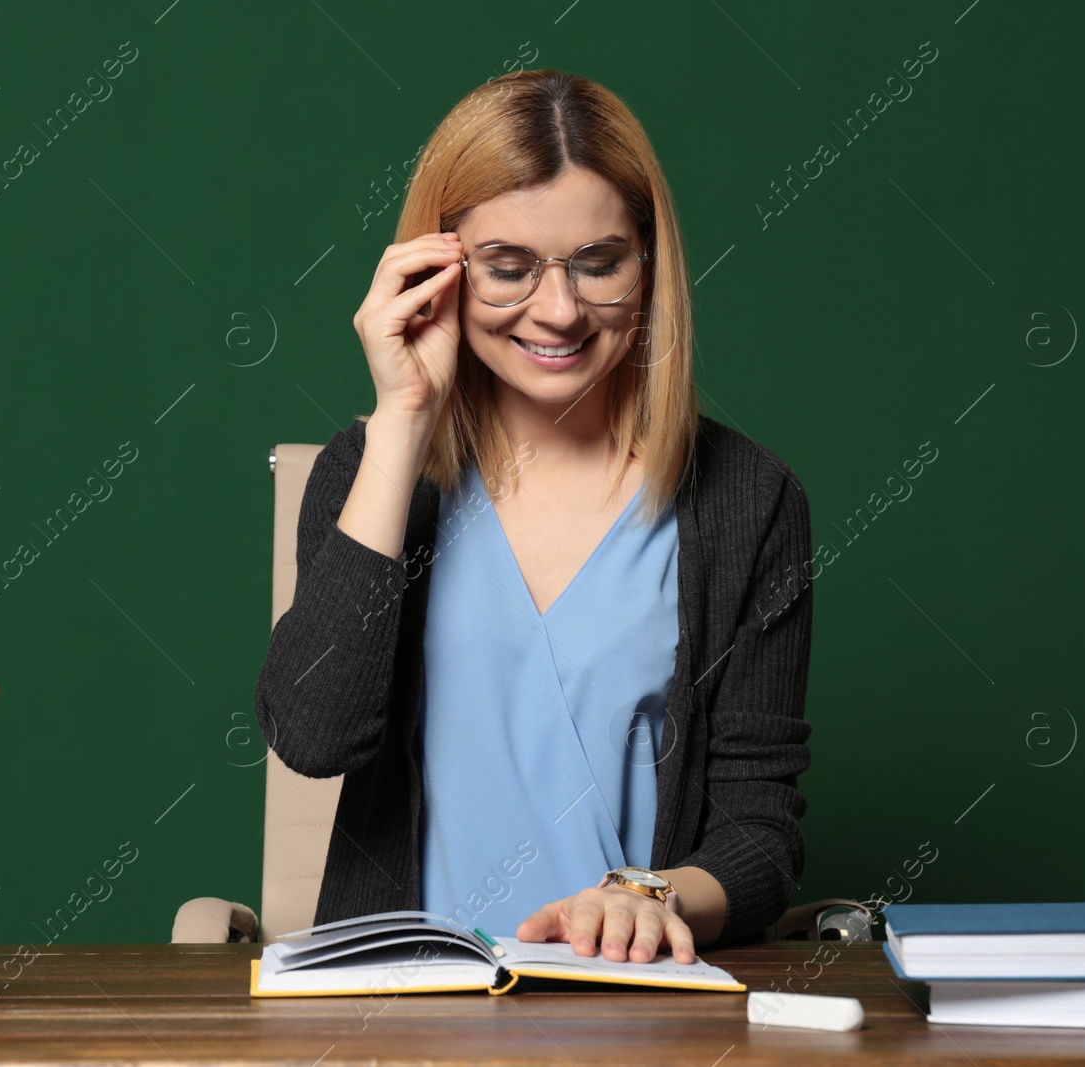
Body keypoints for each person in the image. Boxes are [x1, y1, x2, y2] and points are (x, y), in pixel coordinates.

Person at [255, 69, 813, 965]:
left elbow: (758, 830)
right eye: (509, 269)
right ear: (437, 267)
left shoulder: (748, 499)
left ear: (649, 264)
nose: (558, 311)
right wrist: (400, 422)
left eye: (600, 264)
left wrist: (647, 896)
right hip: (399, 1013)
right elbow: (314, 737)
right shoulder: (368, 472)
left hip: (633, 1008)